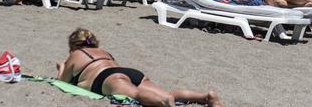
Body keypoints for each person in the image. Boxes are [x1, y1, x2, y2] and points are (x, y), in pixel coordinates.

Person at [57, 28, 223, 107]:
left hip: (108, 78)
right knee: (167, 93)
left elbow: (62, 83)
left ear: (73, 46)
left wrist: (62, 67)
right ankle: (205, 97)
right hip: (129, 72)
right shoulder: (103, 52)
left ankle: (164, 102)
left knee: (136, 94)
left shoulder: (76, 55)